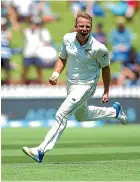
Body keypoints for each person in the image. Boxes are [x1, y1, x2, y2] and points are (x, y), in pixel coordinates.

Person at [22, 12, 127, 163]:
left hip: (87, 85)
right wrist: (55, 74)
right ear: (75, 26)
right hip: (71, 83)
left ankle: (41, 150)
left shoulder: (99, 48)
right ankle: (114, 112)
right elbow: (62, 58)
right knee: (81, 115)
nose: (84, 29)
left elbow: (106, 69)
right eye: (81, 26)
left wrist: (106, 91)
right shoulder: (67, 39)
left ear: (91, 28)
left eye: (88, 26)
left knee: (62, 114)